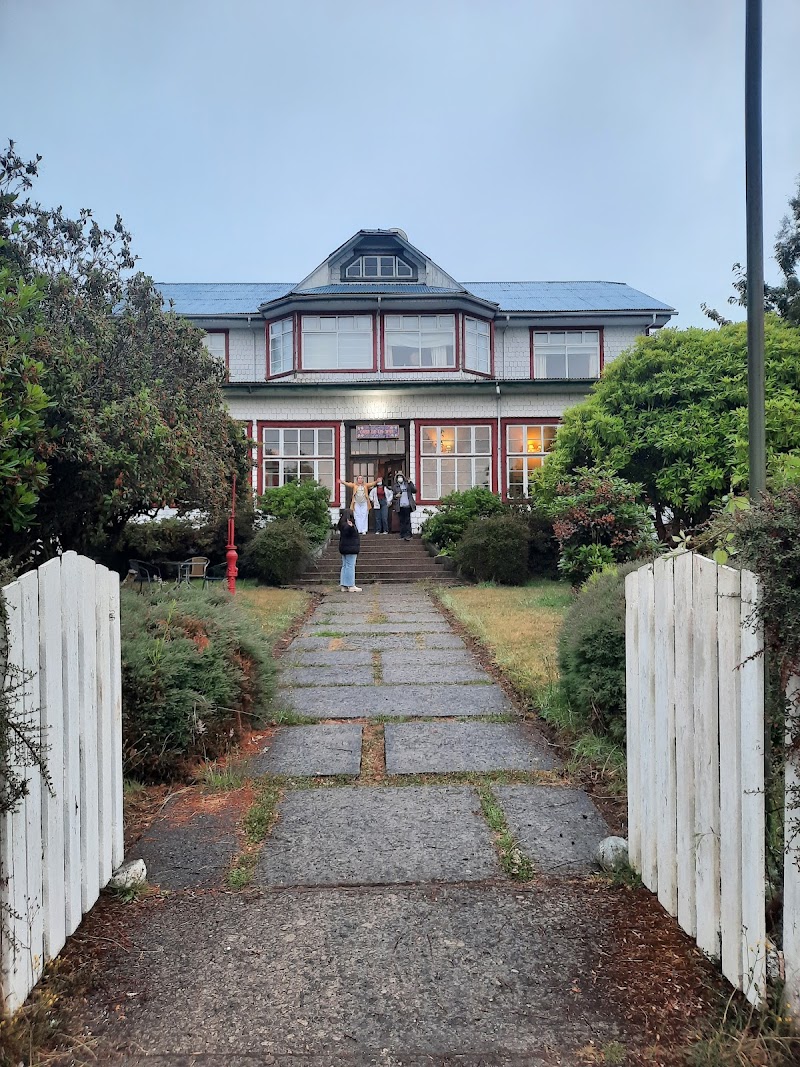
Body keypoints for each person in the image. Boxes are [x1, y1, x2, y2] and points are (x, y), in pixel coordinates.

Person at [337, 509, 361, 592]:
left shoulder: (341, 525)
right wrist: (351, 527)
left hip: (344, 547)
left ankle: (343, 585)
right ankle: (351, 585)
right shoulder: (348, 525)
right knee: (350, 566)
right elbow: (349, 531)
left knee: (345, 566)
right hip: (351, 548)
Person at [393, 472, 416, 541]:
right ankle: (402, 535)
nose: (400, 478)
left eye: (401, 477)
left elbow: (414, 490)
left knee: (407, 520)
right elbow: (393, 497)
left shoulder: (407, 484)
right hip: (400, 506)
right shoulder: (395, 486)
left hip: (407, 505)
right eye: (398, 477)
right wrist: (395, 496)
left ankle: (409, 535)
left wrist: (410, 483)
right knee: (401, 521)